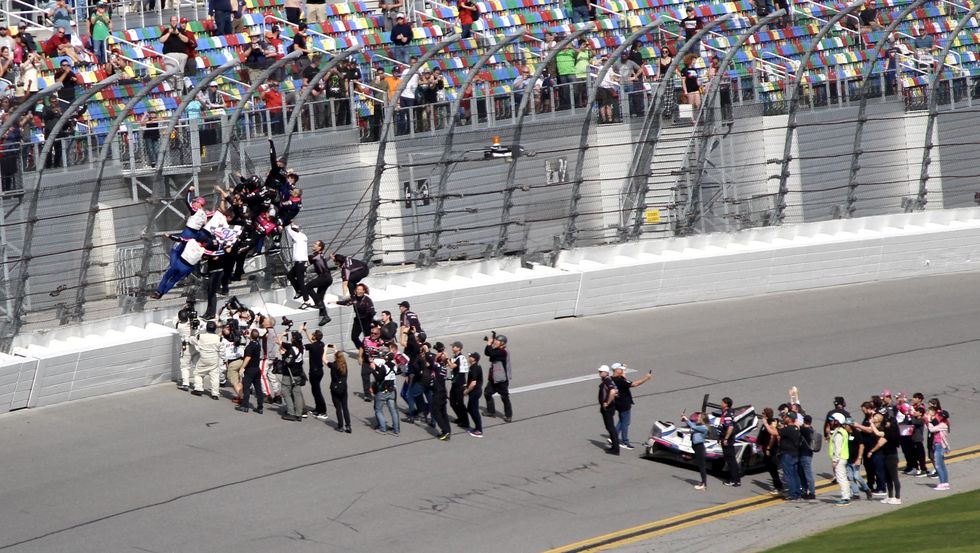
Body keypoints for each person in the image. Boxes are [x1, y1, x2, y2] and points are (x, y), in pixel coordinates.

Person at [611, 364, 652, 450]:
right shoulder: (621, 381)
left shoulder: (612, 379)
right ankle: (625, 442)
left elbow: (623, 377)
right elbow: (634, 384)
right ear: (616, 370)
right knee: (626, 423)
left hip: (617, 402)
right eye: (620, 369)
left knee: (621, 421)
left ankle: (613, 437)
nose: (622, 371)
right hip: (624, 404)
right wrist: (646, 378)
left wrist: (624, 369)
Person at [189, 320, 224, 399]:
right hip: (214, 358)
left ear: (207, 328)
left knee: (198, 373)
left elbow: (192, 340)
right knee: (214, 376)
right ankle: (215, 394)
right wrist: (223, 359)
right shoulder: (219, 339)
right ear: (215, 329)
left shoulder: (200, 336)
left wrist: (190, 337)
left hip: (204, 357)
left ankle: (198, 389)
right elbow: (222, 351)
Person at [336, 283, 376, 350]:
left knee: (368, 338)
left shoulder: (367, 300)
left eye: (360, 290)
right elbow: (345, 302)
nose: (358, 291)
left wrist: (373, 321)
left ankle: (370, 351)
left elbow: (372, 311)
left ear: (364, 291)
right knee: (354, 337)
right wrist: (335, 302)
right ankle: (362, 350)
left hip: (367, 320)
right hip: (358, 320)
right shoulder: (354, 298)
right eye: (357, 289)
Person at [483, 332, 512, 422]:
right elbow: (487, 353)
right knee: (487, 393)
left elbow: (492, 353)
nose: (495, 342)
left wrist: (489, 344)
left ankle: (508, 415)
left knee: (504, 397)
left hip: (501, 379)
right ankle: (491, 412)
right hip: (493, 378)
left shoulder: (503, 352)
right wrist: (490, 344)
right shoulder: (497, 350)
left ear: (502, 343)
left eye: (497, 341)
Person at [301, 324, 327, 420]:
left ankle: (323, 411)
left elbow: (301, 345)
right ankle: (318, 409)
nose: (311, 336)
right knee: (315, 391)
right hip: (320, 371)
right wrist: (306, 331)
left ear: (315, 337)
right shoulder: (321, 344)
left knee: (317, 391)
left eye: (313, 335)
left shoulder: (312, 346)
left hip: (314, 372)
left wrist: (301, 333)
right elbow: (312, 342)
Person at [278, 331, 306, 421]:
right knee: (297, 394)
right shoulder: (302, 348)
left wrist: (283, 354)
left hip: (289, 374)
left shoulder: (292, 349)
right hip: (299, 373)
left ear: (293, 339)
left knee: (285, 391)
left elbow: (287, 361)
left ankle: (291, 413)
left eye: (292, 337)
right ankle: (299, 414)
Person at [304, 240, 333, 326]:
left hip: (324, 277)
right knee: (319, 296)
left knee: (308, 286)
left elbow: (308, 259)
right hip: (328, 278)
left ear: (319, 248)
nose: (313, 245)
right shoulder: (320, 255)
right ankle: (325, 316)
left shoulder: (315, 256)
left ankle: (318, 304)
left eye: (315, 244)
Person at [844, 417, 873, 500]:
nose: (844, 426)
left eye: (846, 424)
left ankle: (867, 489)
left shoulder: (857, 433)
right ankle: (856, 494)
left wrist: (859, 458)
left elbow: (861, 446)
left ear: (850, 425)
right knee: (850, 477)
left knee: (856, 476)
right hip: (848, 459)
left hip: (856, 459)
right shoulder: (846, 433)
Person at [236, 329, 264, 413]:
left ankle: (245, 406)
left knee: (246, 388)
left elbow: (248, 358)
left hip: (250, 370)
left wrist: (242, 367)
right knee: (258, 389)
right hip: (257, 369)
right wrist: (249, 336)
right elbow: (254, 338)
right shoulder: (258, 344)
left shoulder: (249, 347)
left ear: (251, 336)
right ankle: (260, 407)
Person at [372, 357, 401, 435]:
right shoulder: (394, 366)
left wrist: (373, 370)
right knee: (393, 411)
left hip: (382, 392)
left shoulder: (384, 367)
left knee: (378, 410)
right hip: (391, 391)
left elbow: (378, 378)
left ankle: (383, 428)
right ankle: (396, 429)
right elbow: (399, 372)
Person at [758, 408, 783, 494]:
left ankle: (778, 487)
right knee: (769, 466)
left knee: (772, 467)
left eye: (763, 413)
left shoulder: (770, 423)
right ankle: (778, 485)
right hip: (766, 447)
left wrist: (768, 448)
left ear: (766, 415)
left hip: (771, 448)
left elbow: (773, 436)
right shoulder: (773, 421)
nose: (761, 414)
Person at [778, 412, 802, 500]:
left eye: (786, 417)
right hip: (795, 453)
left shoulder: (788, 429)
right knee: (795, 474)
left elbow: (776, 433)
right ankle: (797, 492)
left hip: (787, 454)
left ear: (790, 419)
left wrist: (766, 424)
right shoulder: (796, 428)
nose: (785, 418)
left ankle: (792, 494)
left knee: (789, 475)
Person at [681, 411, 709, 489]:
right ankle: (703, 483)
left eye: (699, 417)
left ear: (703, 419)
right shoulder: (698, 425)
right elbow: (692, 427)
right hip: (696, 448)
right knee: (700, 466)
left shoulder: (704, 427)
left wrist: (686, 419)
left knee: (702, 467)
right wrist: (685, 420)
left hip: (700, 448)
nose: (697, 418)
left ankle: (704, 485)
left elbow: (694, 427)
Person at [828, 413, 851, 505]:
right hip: (843, 458)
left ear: (837, 421)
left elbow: (838, 448)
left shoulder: (839, 433)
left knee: (841, 478)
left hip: (840, 459)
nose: (831, 422)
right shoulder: (841, 431)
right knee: (843, 478)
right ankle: (846, 496)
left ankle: (845, 498)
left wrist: (835, 460)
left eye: (833, 420)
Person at [926, 408, 950, 490]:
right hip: (938, 445)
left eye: (939, 415)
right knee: (942, 465)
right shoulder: (942, 424)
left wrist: (929, 421)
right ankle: (945, 483)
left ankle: (942, 483)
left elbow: (931, 429)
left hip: (939, 446)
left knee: (938, 465)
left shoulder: (943, 425)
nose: (937, 416)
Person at [328, 348, 352, 432]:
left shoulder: (333, 365)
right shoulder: (344, 365)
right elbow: (339, 357)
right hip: (343, 389)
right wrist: (336, 351)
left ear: (335, 357)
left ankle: (340, 426)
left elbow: (324, 360)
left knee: (338, 408)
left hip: (335, 388)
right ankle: (348, 425)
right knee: (345, 407)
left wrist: (324, 350)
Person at [448, 341, 470, 429]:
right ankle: (460, 418)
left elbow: (452, 366)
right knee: (452, 402)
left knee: (460, 403)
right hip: (455, 383)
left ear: (458, 348)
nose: (452, 348)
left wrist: (447, 360)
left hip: (460, 384)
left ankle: (465, 422)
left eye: (454, 347)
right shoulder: (455, 357)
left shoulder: (460, 358)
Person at [719, 396, 740, 487]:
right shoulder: (730, 412)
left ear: (726, 404)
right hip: (727, 438)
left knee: (730, 460)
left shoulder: (727, 413)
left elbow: (730, 427)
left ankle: (734, 480)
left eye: (722, 402)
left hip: (728, 439)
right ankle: (736, 479)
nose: (721, 404)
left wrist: (726, 438)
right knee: (731, 459)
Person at [597, 365, 619, 455]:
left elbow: (613, 391)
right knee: (609, 427)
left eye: (601, 371)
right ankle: (614, 446)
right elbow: (615, 391)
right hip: (608, 408)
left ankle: (615, 449)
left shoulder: (607, 381)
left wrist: (607, 402)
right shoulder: (608, 380)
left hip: (608, 408)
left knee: (610, 427)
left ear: (606, 372)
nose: (599, 373)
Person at [221, 323, 245, 404]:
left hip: (232, 362)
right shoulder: (237, 337)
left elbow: (218, 336)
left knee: (234, 381)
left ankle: (242, 398)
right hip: (240, 360)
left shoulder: (223, 340)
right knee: (238, 380)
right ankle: (240, 395)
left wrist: (224, 329)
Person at [286, 224, 309, 304]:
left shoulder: (297, 236)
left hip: (300, 263)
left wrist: (288, 223)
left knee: (301, 281)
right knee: (290, 275)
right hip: (300, 263)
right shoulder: (303, 236)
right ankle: (299, 291)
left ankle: (306, 299)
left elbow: (288, 230)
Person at [464, 352, 483, 437]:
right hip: (473, 391)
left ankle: (479, 430)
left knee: (474, 410)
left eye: (470, 356)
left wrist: (466, 391)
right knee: (470, 409)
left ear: (474, 359)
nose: (469, 357)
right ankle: (477, 427)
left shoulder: (475, 368)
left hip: (475, 392)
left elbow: (473, 383)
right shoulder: (473, 367)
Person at [798, 414, 816, 500]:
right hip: (809, 453)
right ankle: (807, 491)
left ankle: (811, 492)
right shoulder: (811, 429)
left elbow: (799, 430)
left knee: (807, 475)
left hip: (804, 454)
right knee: (804, 474)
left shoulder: (804, 430)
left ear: (804, 421)